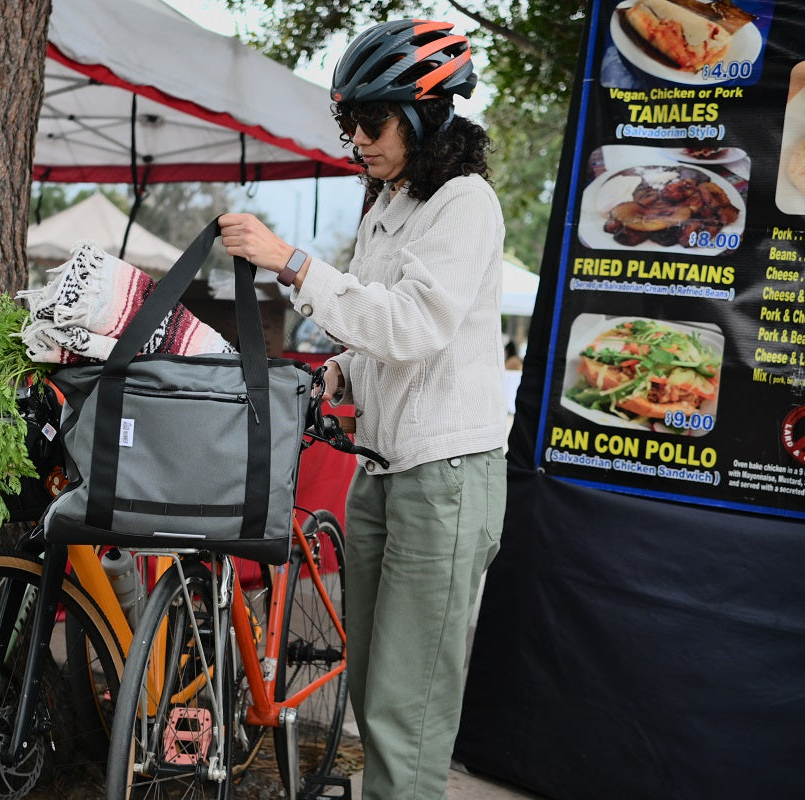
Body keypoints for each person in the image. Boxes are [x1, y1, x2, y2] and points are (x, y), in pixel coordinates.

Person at [219, 19, 507, 799]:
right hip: (385, 469)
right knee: (378, 680)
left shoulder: (463, 202)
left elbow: (415, 326)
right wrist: (340, 373)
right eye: (347, 123)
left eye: (370, 122)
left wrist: (293, 261)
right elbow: (380, 325)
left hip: (443, 475)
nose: (355, 140)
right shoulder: (391, 203)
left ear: (427, 114)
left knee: (404, 710)